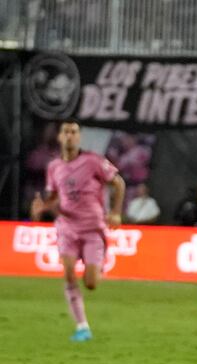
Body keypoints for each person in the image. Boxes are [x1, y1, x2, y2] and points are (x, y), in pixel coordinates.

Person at [30, 118, 126, 342]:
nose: (70, 135)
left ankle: (98, 263)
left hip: (93, 227)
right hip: (67, 227)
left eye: (74, 132)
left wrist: (116, 212)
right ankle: (82, 327)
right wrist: (43, 206)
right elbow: (54, 197)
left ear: (79, 136)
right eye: (66, 131)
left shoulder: (93, 161)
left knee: (91, 283)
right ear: (60, 137)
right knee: (69, 274)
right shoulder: (54, 167)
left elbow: (118, 182)